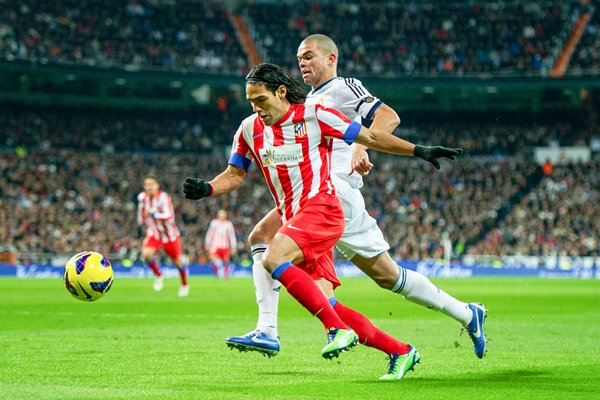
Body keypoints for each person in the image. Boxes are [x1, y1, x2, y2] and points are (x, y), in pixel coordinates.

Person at [183, 63, 462, 379]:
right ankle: (400, 351)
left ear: (281, 92)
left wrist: (419, 150)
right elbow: (235, 175)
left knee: (272, 255)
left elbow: (370, 136)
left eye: (260, 99)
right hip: (297, 219)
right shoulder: (249, 129)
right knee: (327, 302)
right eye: (250, 102)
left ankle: (305, 330)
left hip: (324, 209)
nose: (256, 108)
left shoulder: (315, 115)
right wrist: (208, 187)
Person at [225, 34, 487, 360]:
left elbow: (388, 116)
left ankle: (269, 329)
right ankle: (462, 315)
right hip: (323, 196)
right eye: (299, 59)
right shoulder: (303, 104)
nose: (302, 63)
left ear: (331, 58)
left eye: (309, 56)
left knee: (263, 239)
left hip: (332, 193)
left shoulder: (343, 87)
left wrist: (362, 144)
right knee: (386, 278)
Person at [137, 175, 190, 297]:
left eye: (152, 184)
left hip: (169, 235)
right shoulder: (143, 199)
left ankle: (184, 284)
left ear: (157, 185)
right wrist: (141, 210)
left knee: (177, 262)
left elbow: (169, 216)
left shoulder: (163, 197)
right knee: (146, 254)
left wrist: (154, 214)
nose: (149, 187)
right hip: (154, 234)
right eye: (147, 185)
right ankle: (159, 275)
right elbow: (141, 219)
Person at [205, 209, 237, 278]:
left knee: (226, 261)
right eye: (221, 214)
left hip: (225, 246)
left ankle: (226, 275)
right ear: (218, 215)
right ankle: (218, 273)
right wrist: (207, 244)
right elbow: (209, 233)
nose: (222, 216)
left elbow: (232, 235)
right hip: (215, 245)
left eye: (223, 214)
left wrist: (233, 246)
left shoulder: (228, 224)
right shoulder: (214, 223)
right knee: (212, 258)